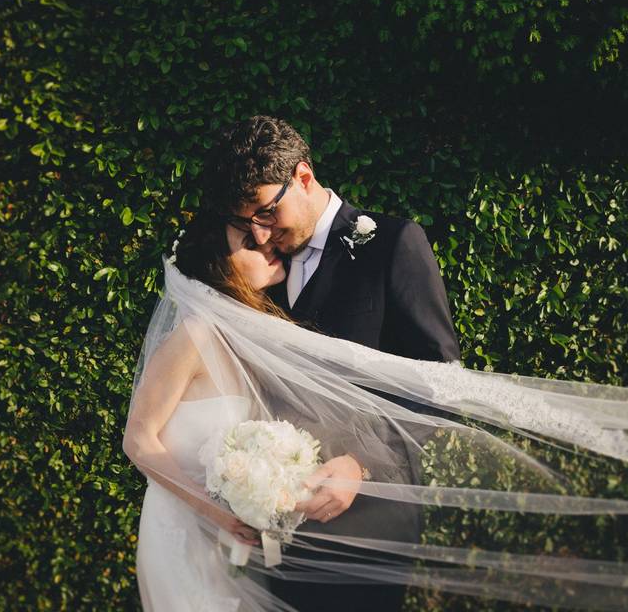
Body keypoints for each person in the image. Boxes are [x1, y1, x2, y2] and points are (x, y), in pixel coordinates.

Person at [123, 210, 628, 612]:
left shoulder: (253, 330)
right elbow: (139, 439)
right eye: (249, 243)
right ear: (220, 271)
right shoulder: (195, 334)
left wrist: (268, 490)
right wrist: (228, 510)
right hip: (196, 531)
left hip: (241, 534)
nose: (266, 243)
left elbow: (428, 375)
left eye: (262, 228)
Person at [198, 115, 462, 610]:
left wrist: (362, 465)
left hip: (368, 521)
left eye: (265, 212)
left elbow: (440, 382)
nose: (258, 235)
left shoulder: (393, 245)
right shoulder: (257, 274)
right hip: (274, 525)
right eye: (246, 222)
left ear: (302, 177)